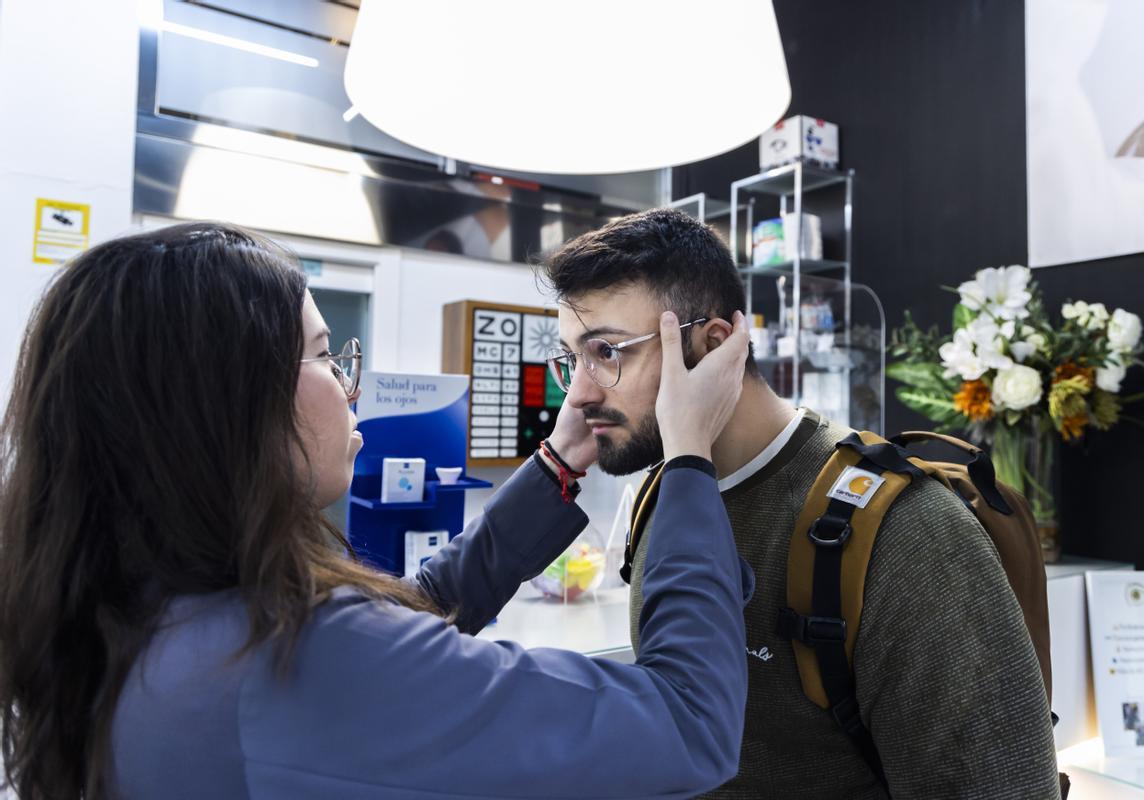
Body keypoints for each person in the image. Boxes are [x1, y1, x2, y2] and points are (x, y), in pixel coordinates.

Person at [0, 222, 755, 799]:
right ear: (230, 404)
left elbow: (412, 617)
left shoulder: (149, 607)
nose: (348, 383)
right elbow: (689, 723)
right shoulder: (299, 659)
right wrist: (687, 456)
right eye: (326, 356)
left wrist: (554, 466)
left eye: (608, 353)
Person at [539, 208, 1062, 799]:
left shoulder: (906, 533)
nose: (577, 393)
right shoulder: (660, 497)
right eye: (571, 358)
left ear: (714, 347)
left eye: (607, 352)